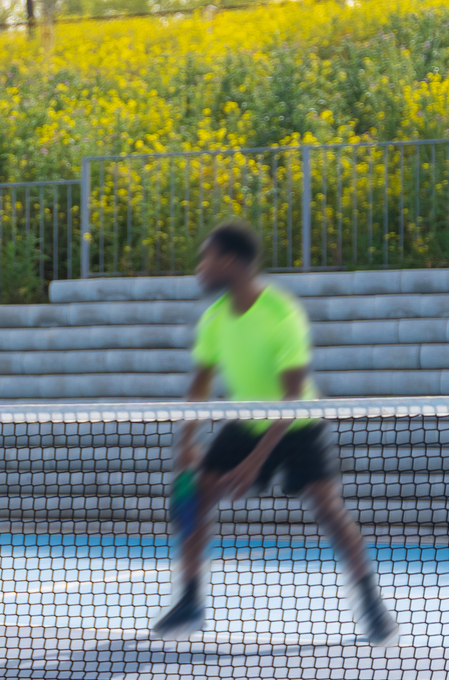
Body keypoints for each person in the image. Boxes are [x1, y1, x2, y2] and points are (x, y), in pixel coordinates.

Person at [155, 221, 396, 645]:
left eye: (206, 258)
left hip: (297, 422)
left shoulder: (282, 313)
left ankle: (371, 602)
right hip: (247, 420)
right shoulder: (213, 319)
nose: (200, 268)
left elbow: (291, 395)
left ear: (230, 262)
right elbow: (200, 385)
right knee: (198, 494)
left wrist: (254, 463)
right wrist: (187, 440)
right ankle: (190, 599)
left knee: (328, 510)